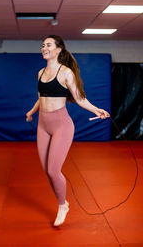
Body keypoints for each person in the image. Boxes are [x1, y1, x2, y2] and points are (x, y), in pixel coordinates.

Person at [26, 35, 110, 227]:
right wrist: (31, 112)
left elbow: (80, 99)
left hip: (61, 125)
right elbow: (41, 98)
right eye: (42, 45)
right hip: (43, 124)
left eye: (48, 45)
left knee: (54, 170)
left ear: (58, 50)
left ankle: (62, 205)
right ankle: (62, 202)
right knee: (47, 171)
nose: (44, 48)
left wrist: (97, 110)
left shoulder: (66, 73)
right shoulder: (40, 73)